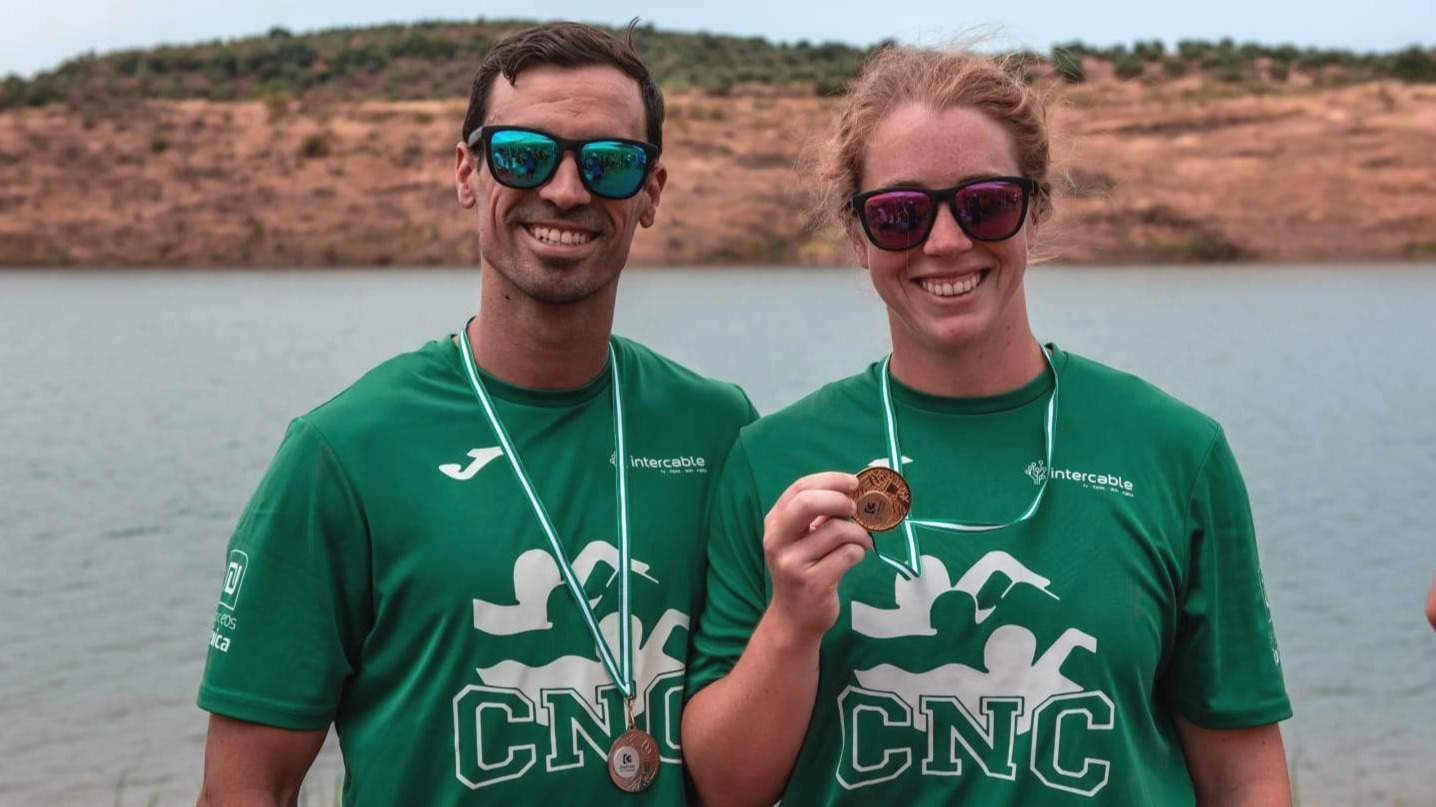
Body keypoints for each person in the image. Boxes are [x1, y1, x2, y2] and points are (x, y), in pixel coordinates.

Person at [682, 46, 1293, 805]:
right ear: (857, 234)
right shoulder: (772, 461)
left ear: (1035, 210)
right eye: (900, 214)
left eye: (986, 203)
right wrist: (791, 625)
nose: (944, 242)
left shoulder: (1175, 452)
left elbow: (1244, 772)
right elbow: (725, 787)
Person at [196, 22, 756, 805]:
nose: (567, 190)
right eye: (523, 154)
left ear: (650, 191)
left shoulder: (718, 429)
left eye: (610, 162)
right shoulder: (345, 452)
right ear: (468, 171)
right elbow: (244, 788)